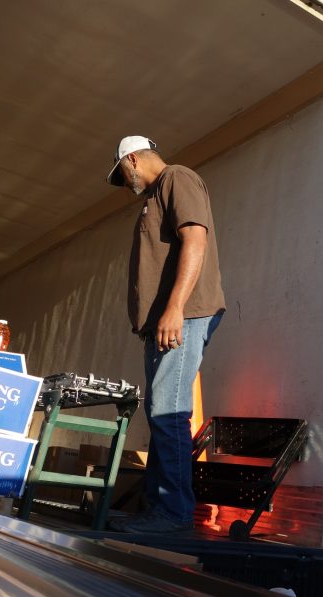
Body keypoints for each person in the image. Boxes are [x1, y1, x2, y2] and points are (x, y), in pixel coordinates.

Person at [106, 136, 226, 534]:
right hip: (168, 320)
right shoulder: (156, 194)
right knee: (160, 410)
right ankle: (158, 509)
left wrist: (174, 307)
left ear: (133, 159)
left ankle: (173, 514)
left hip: (185, 315)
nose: (125, 185)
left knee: (170, 411)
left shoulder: (178, 177)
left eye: (123, 174)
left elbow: (196, 238)